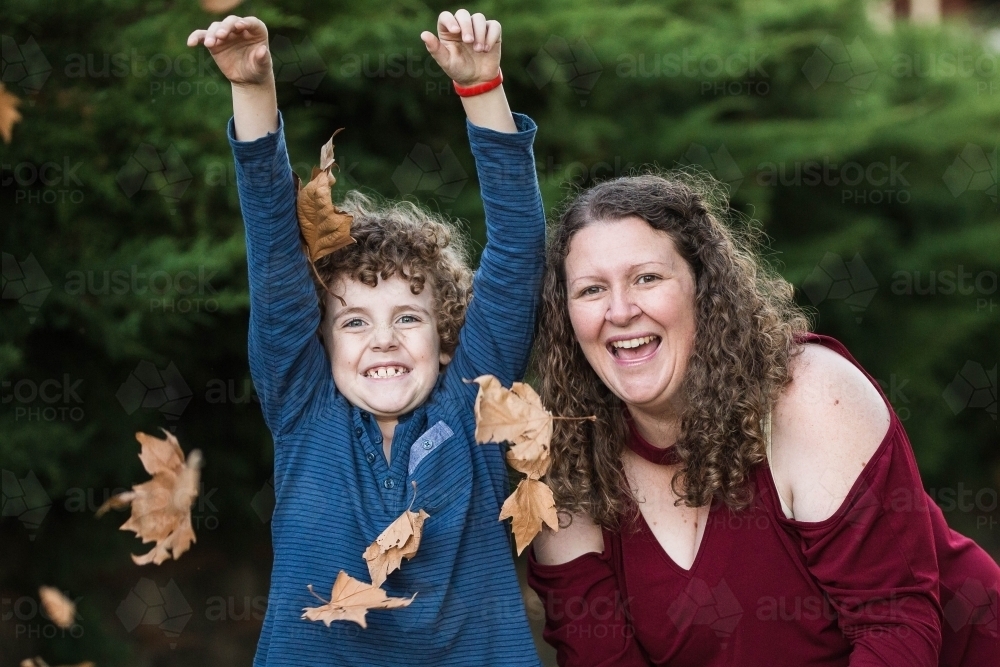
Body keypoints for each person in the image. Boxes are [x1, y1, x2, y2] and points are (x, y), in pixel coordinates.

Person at [188, 11, 545, 666]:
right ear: (320, 343)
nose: (383, 338)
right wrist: (252, 90)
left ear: (446, 337)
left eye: (408, 317)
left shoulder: (475, 407)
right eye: (354, 321)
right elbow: (274, 249)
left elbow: (518, 251)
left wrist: (482, 90)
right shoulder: (303, 409)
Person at [527, 173, 999, 666]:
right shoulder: (567, 473)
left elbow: (894, 629)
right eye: (591, 290)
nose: (620, 311)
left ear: (703, 288)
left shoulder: (808, 396)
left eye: (647, 278)